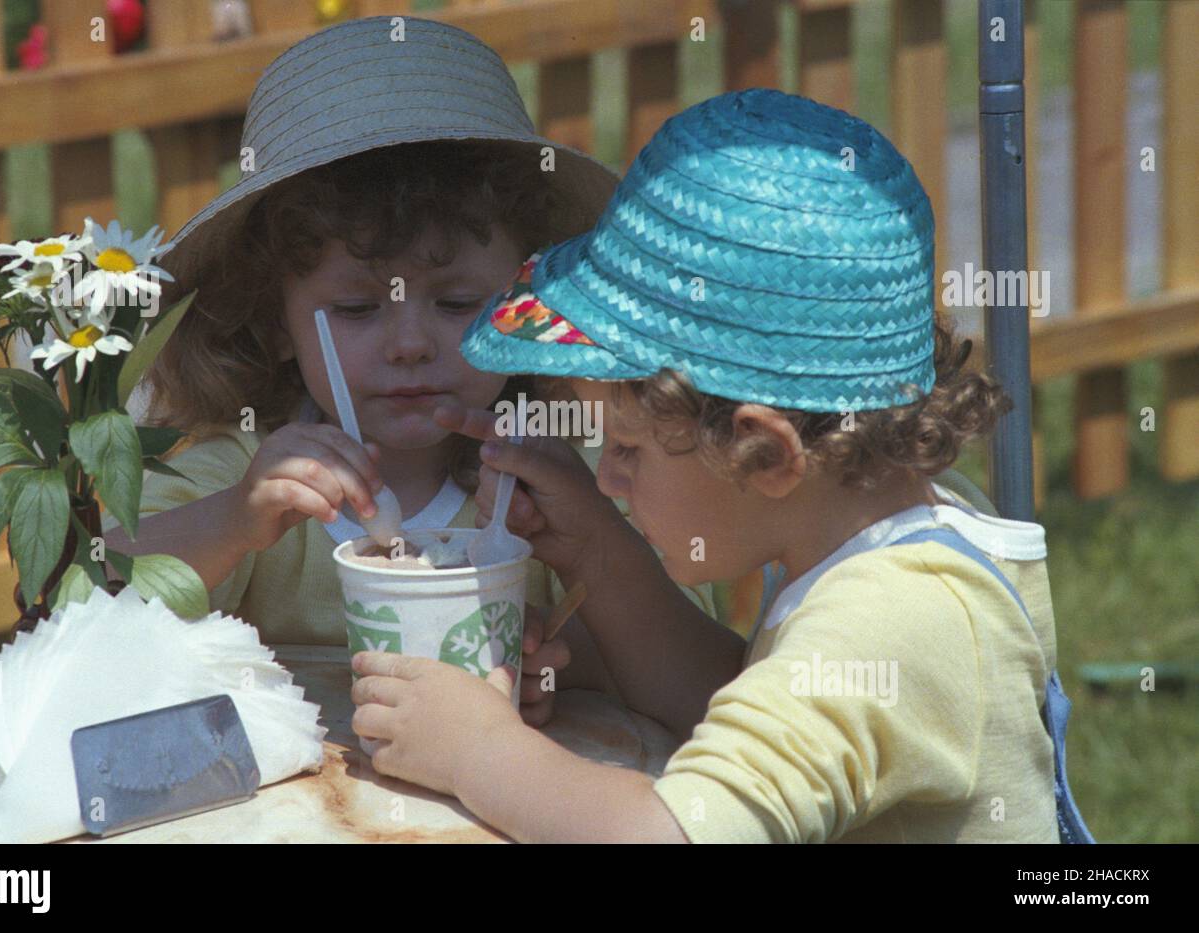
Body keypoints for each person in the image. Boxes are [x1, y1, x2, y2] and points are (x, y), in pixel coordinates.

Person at [349, 88, 1096, 843]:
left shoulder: (895, 618)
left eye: (628, 448)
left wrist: (480, 749)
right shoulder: (875, 535)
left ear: (766, 453)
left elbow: (670, 835)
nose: (607, 474)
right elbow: (728, 697)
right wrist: (600, 553)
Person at [99, 17, 717, 721]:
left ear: (528, 305)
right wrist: (232, 522)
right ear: (276, 322)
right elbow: (84, 618)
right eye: (359, 308)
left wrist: (561, 657)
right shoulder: (246, 475)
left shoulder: (575, 477)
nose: (410, 343)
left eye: (456, 302)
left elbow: (703, 691)